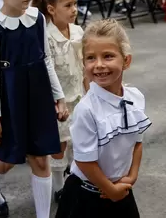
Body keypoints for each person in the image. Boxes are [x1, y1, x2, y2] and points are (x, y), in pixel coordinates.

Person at [0, 0, 67, 218]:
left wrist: (59, 96)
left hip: (38, 93)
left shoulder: (38, 18)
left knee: (41, 158)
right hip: (11, 98)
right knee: (8, 158)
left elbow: (46, 59)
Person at [55, 18, 152, 218]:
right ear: (84, 63)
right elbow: (84, 161)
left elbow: (137, 143)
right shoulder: (87, 109)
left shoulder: (135, 98)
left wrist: (131, 177)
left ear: (126, 60)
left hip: (120, 189)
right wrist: (109, 189)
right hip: (88, 195)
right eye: (91, 58)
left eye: (108, 56)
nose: (99, 65)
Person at [32, 0, 84, 202]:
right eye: (68, 5)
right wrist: (55, 99)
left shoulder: (78, 31)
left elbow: (84, 64)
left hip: (79, 96)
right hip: (59, 101)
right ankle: (59, 187)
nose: (74, 9)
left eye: (75, 4)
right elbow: (47, 71)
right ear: (51, 9)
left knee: (79, 140)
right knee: (60, 145)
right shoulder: (47, 36)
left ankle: (76, 179)